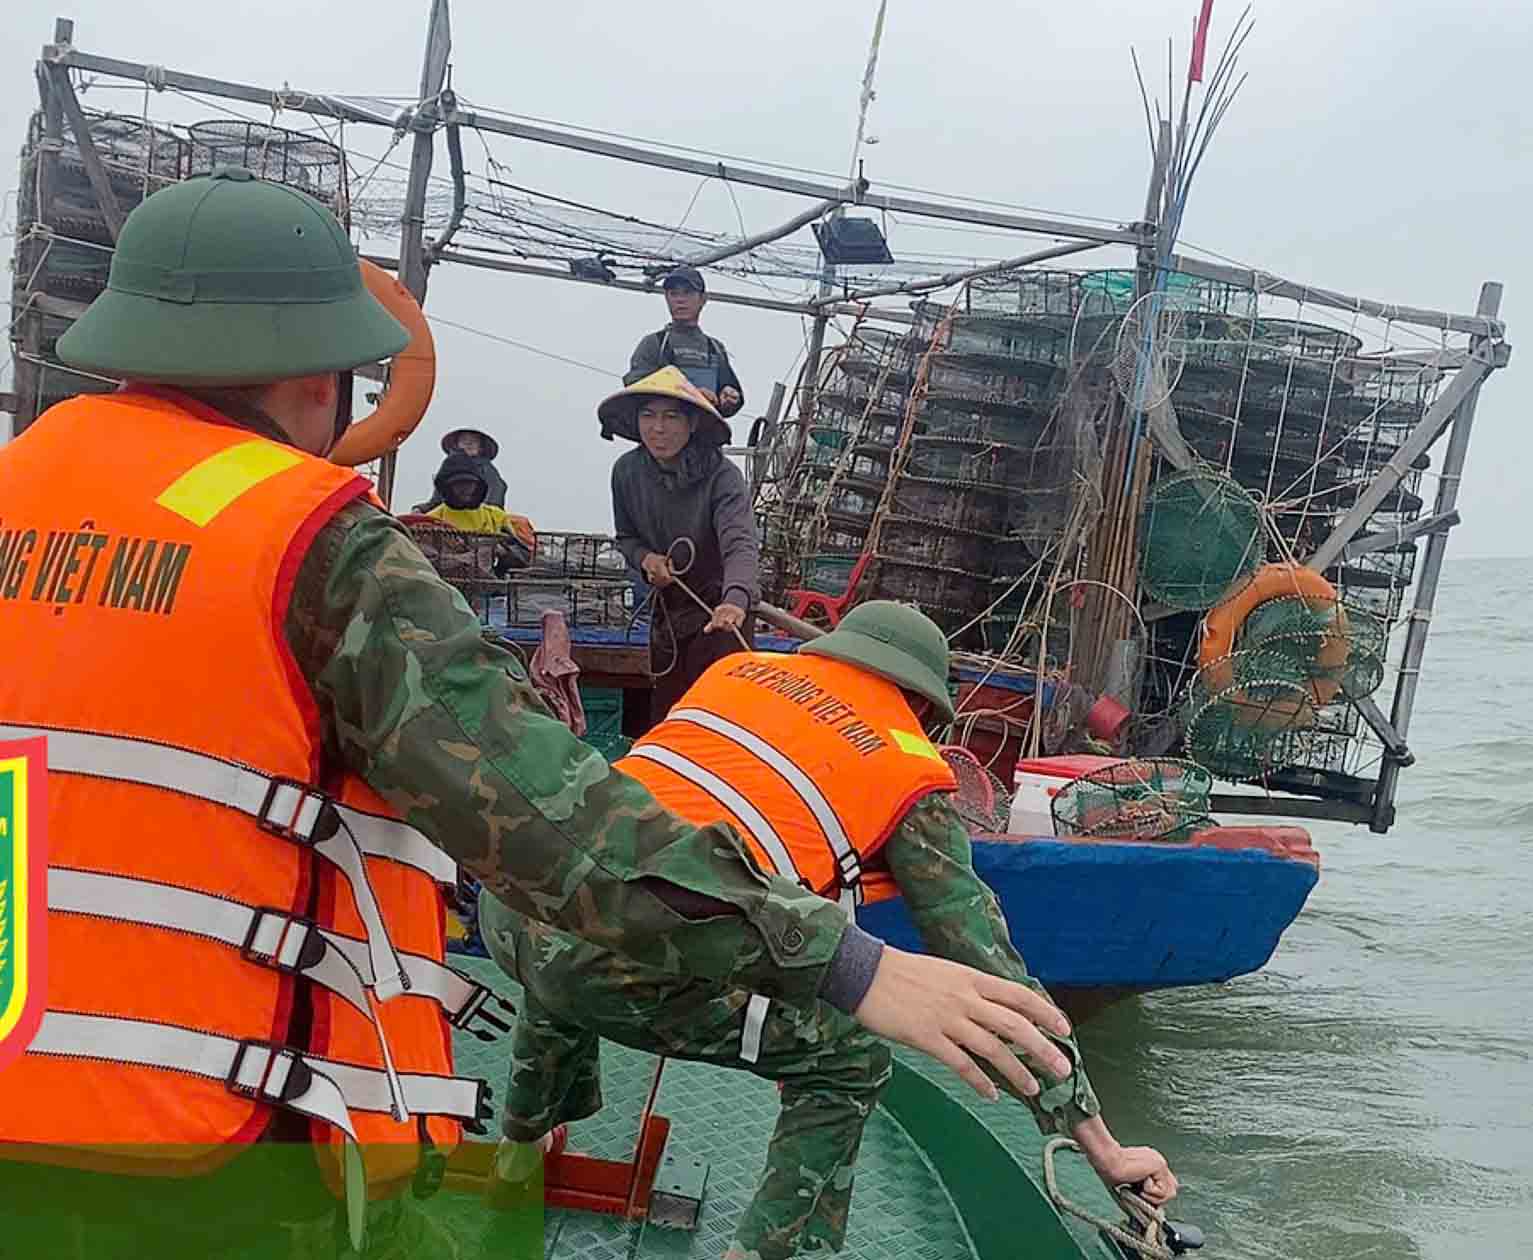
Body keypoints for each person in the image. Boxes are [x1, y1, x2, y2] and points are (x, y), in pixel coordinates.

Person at [0, 167, 1074, 1257]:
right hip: (213, 1147)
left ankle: (522, 1133)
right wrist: (853, 967)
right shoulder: (303, 543)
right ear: (315, 373)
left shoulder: (19, 484)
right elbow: (555, 828)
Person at [480, 600, 1178, 1260]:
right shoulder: (907, 768)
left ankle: (519, 1153)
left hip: (510, 911)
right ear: (923, 707)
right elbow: (993, 970)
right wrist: (1103, 1148)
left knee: (579, 913)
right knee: (851, 1060)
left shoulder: (735, 675)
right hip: (617, 971)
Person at [602, 366, 760, 724]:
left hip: (720, 612)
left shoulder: (723, 476)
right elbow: (626, 538)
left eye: (671, 416)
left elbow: (740, 543)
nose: (658, 428)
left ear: (692, 424)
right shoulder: (626, 471)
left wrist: (735, 601)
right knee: (668, 718)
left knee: (720, 720)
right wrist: (647, 559)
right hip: (669, 616)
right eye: (648, 415)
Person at [624, 264, 744, 419]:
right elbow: (636, 389)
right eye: (674, 294)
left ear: (703, 299)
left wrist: (729, 398)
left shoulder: (714, 348)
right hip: (664, 436)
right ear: (666, 298)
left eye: (687, 293)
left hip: (704, 435)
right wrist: (691, 394)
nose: (680, 300)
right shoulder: (655, 343)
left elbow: (731, 393)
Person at [418, 449, 534, 573]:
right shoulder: (431, 520)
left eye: (469, 483)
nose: (465, 489)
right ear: (446, 487)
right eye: (458, 484)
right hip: (443, 585)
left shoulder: (497, 516)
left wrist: (503, 552)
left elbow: (524, 557)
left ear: (478, 485)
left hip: (488, 587)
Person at [411, 426, 508, 512]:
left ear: (481, 447)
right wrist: (420, 509)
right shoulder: (448, 468)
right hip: (450, 518)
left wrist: (484, 514)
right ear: (457, 445)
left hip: (481, 518)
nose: (469, 443)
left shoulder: (487, 469)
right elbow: (436, 501)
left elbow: (496, 493)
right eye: (464, 440)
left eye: (473, 441)